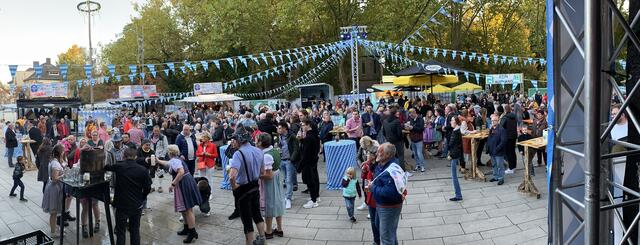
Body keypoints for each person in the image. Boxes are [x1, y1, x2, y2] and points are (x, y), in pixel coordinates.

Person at [104, 147, 152, 245]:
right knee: (135, 231)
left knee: (121, 232)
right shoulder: (142, 170)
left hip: (122, 205)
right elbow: (148, 188)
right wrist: (142, 198)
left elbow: (106, 167)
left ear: (123, 156)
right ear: (136, 157)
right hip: (136, 204)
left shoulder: (119, 166)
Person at [228, 126, 267, 245]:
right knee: (257, 214)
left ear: (239, 140)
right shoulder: (258, 151)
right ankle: (262, 239)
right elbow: (262, 173)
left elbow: (232, 176)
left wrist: (234, 186)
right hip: (255, 186)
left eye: (234, 139)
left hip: (243, 190)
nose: (233, 141)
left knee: (247, 220)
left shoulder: (238, 154)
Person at [156, 145, 202, 243]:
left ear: (169, 153)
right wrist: (158, 161)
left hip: (184, 183)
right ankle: (186, 228)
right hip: (185, 182)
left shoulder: (175, 161)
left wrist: (173, 184)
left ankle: (192, 232)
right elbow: (168, 163)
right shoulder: (176, 159)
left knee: (188, 209)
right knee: (184, 209)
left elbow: (180, 172)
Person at [371, 143, 407, 245]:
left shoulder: (391, 171)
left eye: (380, 151)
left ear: (387, 155)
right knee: (390, 233)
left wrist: (373, 188)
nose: (376, 153)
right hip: (382, 204)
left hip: (388, 207)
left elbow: (389, 192)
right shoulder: (383, 164)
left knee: (386, 239)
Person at [256, 133, 285, 240]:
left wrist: (256, 175)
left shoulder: (267, 155)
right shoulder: (274, 150)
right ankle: (279, 229)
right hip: (277, 179)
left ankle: (268, 231)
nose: (255, 142)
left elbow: (268, 175)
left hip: (270, 182)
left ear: (261, 143)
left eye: (257, 140)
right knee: (277, 203)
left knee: (269, 205)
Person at [41, 144, 66, 238]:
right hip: (54, 189)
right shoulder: (55, 163)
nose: (64, 153)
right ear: (60, 152)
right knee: (54, 212)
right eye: (63, 151)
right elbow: (55, 178)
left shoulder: (54, 161)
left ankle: (55, 228)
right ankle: (53, 232)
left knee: (54, 211)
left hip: (54, 188)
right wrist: (64, 175)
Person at [277, 121, 301, 209]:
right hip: (281, 161)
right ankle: (286, 196)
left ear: (284, 128)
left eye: (279, 128)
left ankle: (288, 199)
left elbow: (296, 149)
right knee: (283, 180)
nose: (278, 129)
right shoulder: (278, 137)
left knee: (289, 180)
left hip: (288, 161)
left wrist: (292, 159)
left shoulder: (292, 137)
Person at [299, 119, 321, 209]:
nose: (302, 127)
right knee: (314, 179)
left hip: (309, 162)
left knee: (311, 181)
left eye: (303, 125)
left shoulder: (309, 137)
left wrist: (299, 166)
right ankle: (315, 197)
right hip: (313, 161)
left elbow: (305, 154)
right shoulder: (314, 135)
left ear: (308, 126)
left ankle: (314, 200)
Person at [195, 132, 218, 197]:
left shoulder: (212, 145)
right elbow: (197, 153)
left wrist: (209, 154)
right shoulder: (200, 145)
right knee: (201, 179)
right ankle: (201, 192)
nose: (202, 138)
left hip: (209, 163)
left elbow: (216, 155)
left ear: (208, 138)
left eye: (204, 137)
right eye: (202, 137)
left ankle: (210, 193)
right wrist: (201, 153)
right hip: (201, 163)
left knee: (209, 179)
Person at [487, 114, 507, 185]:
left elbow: (503, 141)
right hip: (492, 151)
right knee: (494, 164)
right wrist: (488, 148)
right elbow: (489, 139)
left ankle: (501, 178)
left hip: (498, 151)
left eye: (494, 121)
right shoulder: (491, 129)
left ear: (498, 121)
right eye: (492, 121)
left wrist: (497, 148)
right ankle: (495, 177)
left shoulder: (501, 129)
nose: (493, 122)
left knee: (500, 165)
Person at [448, 117, 464, 201]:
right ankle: (458, 195)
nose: (450, 122)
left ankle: (458, 195)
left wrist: (450, 155)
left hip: (454, 155)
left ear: (456, 123)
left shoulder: (455, 132)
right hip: (456, 154)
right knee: (454, 176)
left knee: (454, 176)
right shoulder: (457, 131)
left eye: (452, 120)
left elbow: (452, 146)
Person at [407, 108, 426, 172]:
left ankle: (422, 166)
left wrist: (413, 127)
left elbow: (421, 129)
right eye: (410, 115)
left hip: (419, 139)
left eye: (412, 114)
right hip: (412, 138)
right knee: (415, 153)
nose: (411, 116)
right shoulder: (411, 119)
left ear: (415, 112)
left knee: (419, 153)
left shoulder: (420, 119)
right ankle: (418, 165)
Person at [501, 105, 518, 174]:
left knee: (508, 153)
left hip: (508, 136)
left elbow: (501, 126)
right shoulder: (514, 116)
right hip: (513, 136)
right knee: (513, 152)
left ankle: (511, 168)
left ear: (505, 110)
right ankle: (514, 167)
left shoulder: (505, 117)